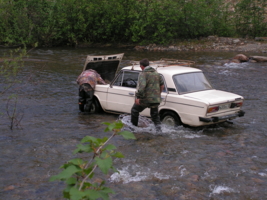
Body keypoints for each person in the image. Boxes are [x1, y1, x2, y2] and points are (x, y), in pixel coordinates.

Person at [131, 58, 164, 132]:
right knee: (155, 115)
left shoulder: (143, 74)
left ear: (142, 66)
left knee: (134, 110)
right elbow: (162, 86)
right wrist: (158, 94)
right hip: (156, 99)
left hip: (146, 99)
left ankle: (133, 128)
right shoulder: (157, 74)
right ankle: (159, 131)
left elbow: (142, 86)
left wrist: (138, 97)